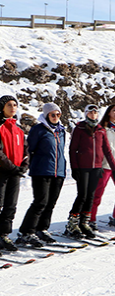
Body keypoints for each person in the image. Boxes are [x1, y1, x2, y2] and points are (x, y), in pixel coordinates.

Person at [67, 104, 115, 239]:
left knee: (91, 196)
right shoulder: (80, 128)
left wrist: (114, 168)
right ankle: (72, 223)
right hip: (83, 168)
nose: (93, 115)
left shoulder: (101, 129)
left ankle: (84, 222)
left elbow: (107, 150)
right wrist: (74, 168)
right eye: (90, 112)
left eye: (95, 112)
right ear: (86, 114)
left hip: (96, 167)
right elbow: (72, 150)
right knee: (82, 195)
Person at [17, 103, 65, 246]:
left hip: (59, 171)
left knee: (51, 203)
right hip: (41, 170)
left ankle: (42, 229)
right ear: (46, 115)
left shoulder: (61, 130)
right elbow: (29, 149)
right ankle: (27, 232)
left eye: (58, 114)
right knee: (40, 202)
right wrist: (30, 165)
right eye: (52, 114)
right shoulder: (38, 129)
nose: (55, 117)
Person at [89, 105, 115, 229]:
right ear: (108, 113)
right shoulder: (102, 129)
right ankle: (89, 219)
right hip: (105, 165)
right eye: (114, 111)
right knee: (97, 193)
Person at [0, 95, 29, 251]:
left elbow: (26, 151)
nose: (13, 107)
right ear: (2, 107)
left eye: (15, 105)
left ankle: (3, 235)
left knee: (11, 206)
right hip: (2, 172)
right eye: (9, 105)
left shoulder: (18, 129)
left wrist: (24, 165)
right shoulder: (0, 127)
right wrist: (12, 167)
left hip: (15, 173)